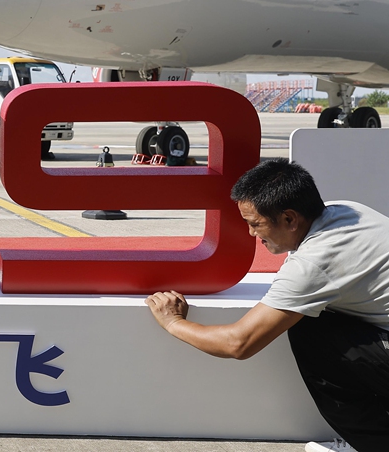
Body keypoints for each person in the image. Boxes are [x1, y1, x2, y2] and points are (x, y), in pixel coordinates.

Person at [145, 159, 389, 452]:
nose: (251, 234)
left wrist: (174, 323)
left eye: (254, 223)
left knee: (311, 331)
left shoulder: (314, 264)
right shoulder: (346, 210)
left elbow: (239, 343)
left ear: (289, 219)